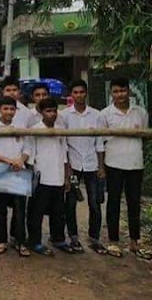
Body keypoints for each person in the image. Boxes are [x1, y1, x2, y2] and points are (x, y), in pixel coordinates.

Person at [100, 77, 151, 259]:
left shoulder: (141, 112)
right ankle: (113, 241)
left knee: (134, 203)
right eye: (116, 91)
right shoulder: (105, 114)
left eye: (123, 91)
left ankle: (134, 241)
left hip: (135, 164)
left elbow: (144, 137)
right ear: (111, 93)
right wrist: (102, 167)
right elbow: (101, 142)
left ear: (129, 91)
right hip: (114, 163)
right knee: (113, 202)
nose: (120, 95)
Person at [60, 79, 107, 255]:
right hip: (73, 165)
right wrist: (67, 168)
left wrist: (101, 166)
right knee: (71, 202)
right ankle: (73, 238)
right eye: (75, 92)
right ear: (71, 95)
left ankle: (94, 238)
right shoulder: (64, 116)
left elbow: (99, 142)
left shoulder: (97, 115)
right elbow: (63, 143)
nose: (79, 95)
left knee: (95, 203)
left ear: (86, 93)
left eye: (82, 92)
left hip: (92, 165)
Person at [0, 96, 31, 256]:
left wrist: (20, 160)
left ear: (15, 110)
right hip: (0, 170)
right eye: (5, 109)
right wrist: (7, 160)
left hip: (19, 170)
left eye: (12, 109)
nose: (9, 112)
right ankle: (1, 240)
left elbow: (28, 148)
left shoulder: (21, 126)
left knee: (19, 208)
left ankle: (19, 241)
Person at [25, 98, 74, 255]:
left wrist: (67, 176)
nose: (52, 114)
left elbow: (65, 155)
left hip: (58, 175)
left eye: (54, 110)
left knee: (58, 211)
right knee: (36, 211)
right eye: (48, 111)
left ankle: (58, 238)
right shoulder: (34, 130)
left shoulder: (61, 129)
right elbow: (30, 155)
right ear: (41, 112)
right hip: (42, 176)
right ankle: (34, 241)